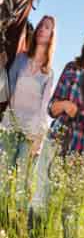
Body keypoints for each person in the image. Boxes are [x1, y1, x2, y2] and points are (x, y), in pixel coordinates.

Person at [29, 18, 84, 238]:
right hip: (57, 138)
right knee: (42, 197)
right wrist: (65, 106)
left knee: (71, 209)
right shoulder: (71, 68)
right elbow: (51, 107)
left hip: (82, 146)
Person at [0, 16, 57, 211]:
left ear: (51, 36)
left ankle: (15, 222)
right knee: (2, 176)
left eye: (47, 27)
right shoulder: (22, 59)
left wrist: (38, 138)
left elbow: (44, 109)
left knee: (22, 182)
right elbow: (7, 87)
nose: (42, 29)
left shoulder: (49, 72)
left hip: (30, 132)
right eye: (41, 25)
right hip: (10, 124)